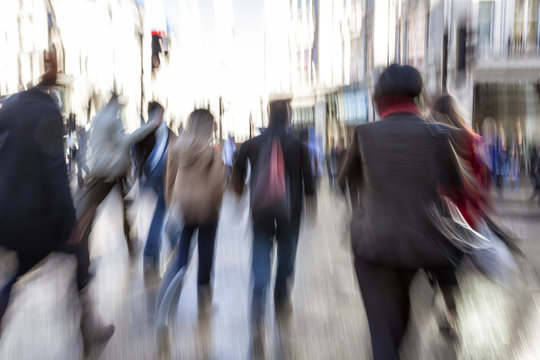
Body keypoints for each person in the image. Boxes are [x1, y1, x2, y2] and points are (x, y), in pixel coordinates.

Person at [338, 64, 465, 360]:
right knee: (399, 317)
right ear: (417, 94)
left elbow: (344, 180)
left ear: (379, 96)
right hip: (418, 245)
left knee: (383, 330)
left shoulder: (365, 133)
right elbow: (455, 185)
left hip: (372, 243)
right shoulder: (439, 135)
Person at [0, 47, 114, 354]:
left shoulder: (9, 107)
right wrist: (70, 219)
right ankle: (87, 329)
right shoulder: (48, 111)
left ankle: (88, 328)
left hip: (7, 216)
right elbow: (55, 170)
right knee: (77, 247)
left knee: (19, 272)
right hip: (37, 218)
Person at [232, 100, 316, 345]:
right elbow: (309, 183)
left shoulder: (251, 145)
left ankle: (258, 304)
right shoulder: (298, 146)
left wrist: (238, 196)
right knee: (287, 258)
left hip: (261, 212)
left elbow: (237, 172)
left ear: (268, 116)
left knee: (260, 255)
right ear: (288, 118)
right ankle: (281, 298)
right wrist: (311, 208)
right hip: (291, 214)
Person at [72, 94, 162, 263]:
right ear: (114, 104)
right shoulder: (113, 120)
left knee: (117, 208)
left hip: (103, 169)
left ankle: (129, 243)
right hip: (111, 171)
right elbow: (124, 141)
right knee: (99, 211)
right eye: (119, 105)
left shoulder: (98, 117)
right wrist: (150, 126)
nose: (120, 108)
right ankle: (83, 252)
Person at [430, 93, 492, 337]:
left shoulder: (432, 138)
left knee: (442, 268)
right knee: (450, 267)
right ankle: (450, 313)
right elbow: (483, 182)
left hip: (440, 214)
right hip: (467, 217)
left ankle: (448, 311)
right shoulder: (474, 140)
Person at [158, 109, 225, 310]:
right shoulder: (211, 151)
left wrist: (172, 203)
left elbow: (169, 178)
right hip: (206, 209)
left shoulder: (176, 146)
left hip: (184, 207)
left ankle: (167, 299)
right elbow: (217, 183)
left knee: (181, 255)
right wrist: (215, 204)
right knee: (206, 254)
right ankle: (204, 301)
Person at [141, 101, 178, 274]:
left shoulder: (142, 132)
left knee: (164, 209)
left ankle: (173, 237)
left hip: (151, 178)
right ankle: (150, 253)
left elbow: (136, 154)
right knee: (161, 212)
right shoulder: (167, 132)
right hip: (163, 177)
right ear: (159, 114)